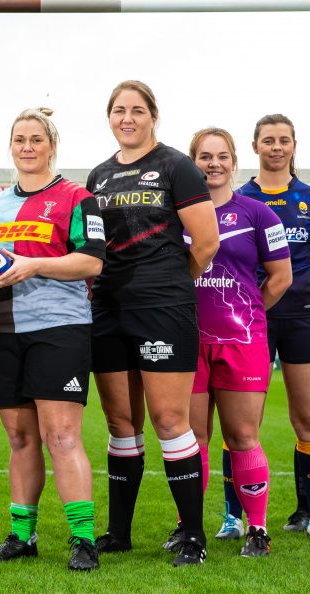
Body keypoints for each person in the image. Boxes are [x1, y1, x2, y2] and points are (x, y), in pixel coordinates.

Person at [86, 81, 219, 566]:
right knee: (122, 425)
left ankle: (194, 536)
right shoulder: (97, 176)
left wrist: (167, 284)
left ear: (152, 116)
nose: (127, 118)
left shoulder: (176, 166)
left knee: (169, 421)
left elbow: (206, 243)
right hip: (108, 309)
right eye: (119, 110)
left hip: (164, 308)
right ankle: (119, 533)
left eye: (137, 110)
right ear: (109, 118)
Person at [0, 108, 106, 571]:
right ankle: (21, 536)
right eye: (19, 139)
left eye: (35, 139)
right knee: (20, 438)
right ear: (10, 146)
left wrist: (34, 264)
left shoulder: (77, 197)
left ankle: (83, 540)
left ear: (52, 145)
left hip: (58, 328)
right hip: (1, 330)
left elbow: (91, 262)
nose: (27, 147)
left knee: (63, 436)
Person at [235, 114, 310, 542]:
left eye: (284, 140)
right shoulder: (240, 197)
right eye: (268, 140)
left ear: (294, 145)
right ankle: (234, 517)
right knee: (242, 424)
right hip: (250, 321)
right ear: (255, 146)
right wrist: (265, 301)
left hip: (304, 317)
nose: (276, 147)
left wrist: (290, 291)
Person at [185, 128, 292, 557]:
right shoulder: (177, 217)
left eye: (221, 156)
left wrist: (247, 313)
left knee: (243, 435)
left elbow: (281, 277)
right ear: (192, 163)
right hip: (186, 342)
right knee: (191, 437)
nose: (213, 163)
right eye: (205, 156)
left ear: (234, 162)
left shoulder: (259, 214)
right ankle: (188, 526)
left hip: (242, 341)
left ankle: (258, 529)